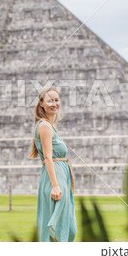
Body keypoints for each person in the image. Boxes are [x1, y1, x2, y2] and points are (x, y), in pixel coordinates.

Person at [29, 87, 77, 242]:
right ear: (41, 104)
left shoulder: (49, 126)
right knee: (56, 225)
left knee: (67, 225)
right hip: (54, 178)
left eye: (57, 100)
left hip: (61, 176)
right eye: (50, 100)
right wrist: (55, 185)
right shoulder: (44, 126)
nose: (54, 103)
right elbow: (48, 158)